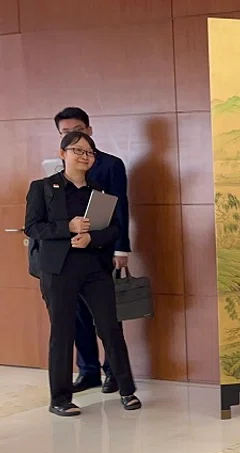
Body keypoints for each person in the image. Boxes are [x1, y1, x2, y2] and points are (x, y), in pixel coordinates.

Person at [24, 132, 141, 417]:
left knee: (110, 327)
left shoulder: (100, 192)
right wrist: (68, 227)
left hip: (94, 268)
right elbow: (33, 227)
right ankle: (60, 399)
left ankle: (127, 390)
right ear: (62, 153)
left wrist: (92, 238)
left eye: (89, 153)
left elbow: (114, 229)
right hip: (58, 270)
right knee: (63, 332)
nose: (84, 157)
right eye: (77, 150)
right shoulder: (43, 188)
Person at [53, 107, 132, 395]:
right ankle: (87, 371)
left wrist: (121, 248)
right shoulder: (55, 170)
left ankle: (113, 372)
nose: (74, 136)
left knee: (107, 317)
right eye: (65, 133)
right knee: (77, 316)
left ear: (89, 130)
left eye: (79, 131)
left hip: (101, 250)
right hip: (68, 256)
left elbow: (120, 207)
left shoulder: (110, 165)